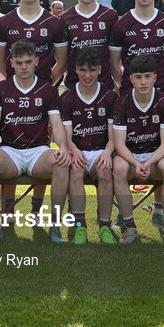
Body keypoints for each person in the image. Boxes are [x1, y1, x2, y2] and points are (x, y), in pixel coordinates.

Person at [0, 40, 70, 244]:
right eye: (19, 62)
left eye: (28, 62)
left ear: (36, 61)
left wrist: (63, 148)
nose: (23, 66)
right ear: (11, 63)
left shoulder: (48, 89)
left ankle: (55, 226)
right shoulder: (0, 88)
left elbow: (56, 124)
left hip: (38, 151)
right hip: (10, 151)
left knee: (62, 164)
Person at [50, 48, 118, 244]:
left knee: (105, 171)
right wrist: (74, 150)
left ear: (99, 70)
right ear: (75, 71)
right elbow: (66, 137)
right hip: (77, 150)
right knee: (76, 169)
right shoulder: (67, 98)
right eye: (82, 70)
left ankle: (104, 225)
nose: (87, 75)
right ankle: (80, 226)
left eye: (92, 70)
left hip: (101, 151)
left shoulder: (109, 97)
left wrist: (107, 152)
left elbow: (114, 135)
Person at [110, 54, 164, 244]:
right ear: (130, 78)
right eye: (138, 77)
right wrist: (136, 163)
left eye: (148, 76)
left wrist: (147, 163)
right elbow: (119, 144)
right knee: (120, 168)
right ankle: (130, 227)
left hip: (154, 157)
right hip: (129, 156)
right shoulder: (122, 102)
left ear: (155, 77)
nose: (143, 81)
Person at [0, 0, 67, 84]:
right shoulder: (4, 22)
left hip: (44, 93)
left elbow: (62, 62)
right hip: (13, 91)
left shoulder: (55, 22)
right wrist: (15, 83)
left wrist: (46, 85)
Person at [59, 0, 119, 89]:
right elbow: (62, 62)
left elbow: (115, 61)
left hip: (104, 88)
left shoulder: (110, 16)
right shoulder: (64, 18)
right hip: (73, 88)